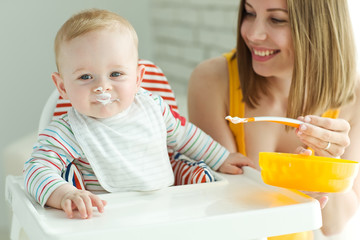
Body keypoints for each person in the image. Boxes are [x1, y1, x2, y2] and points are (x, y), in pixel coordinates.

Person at [23, 9, 254, 220]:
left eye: (115, 74)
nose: (102, 87)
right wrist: (64, 194)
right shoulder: (68, 131)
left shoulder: (153, 107)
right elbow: (35, 169)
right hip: (106, 220)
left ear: (138, 78)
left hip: (168, 213)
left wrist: (221, 158)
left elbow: (184, 135)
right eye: (85, 77)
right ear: (62, 87)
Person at [188, 0, 360, 239]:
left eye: (277, 19)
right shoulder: (212, 81)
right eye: (249, 13)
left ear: (320, 26)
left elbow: (334, 226)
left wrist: (326, 168)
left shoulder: (354, 96)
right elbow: (221, 210)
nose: (252, 34)